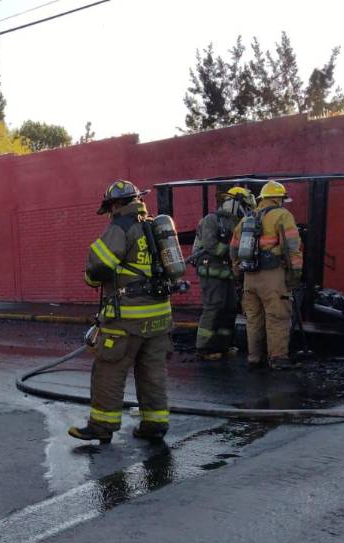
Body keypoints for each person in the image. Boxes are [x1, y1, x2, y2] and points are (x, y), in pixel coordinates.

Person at [68, 180, 174, 444]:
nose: (109, 214)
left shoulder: (121, 227)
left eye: (109, 208)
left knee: (109, 369)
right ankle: (155, 424)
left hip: (128, 318)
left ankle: (102, 427)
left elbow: (98, 265)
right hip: (160, 316)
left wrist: (91, 279)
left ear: (115, 204)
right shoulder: (154, 226)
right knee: (152, 372)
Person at [229, 180, 303, 370]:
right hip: (273, 275)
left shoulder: (247, 219)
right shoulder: (282, 215)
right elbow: (292, 247)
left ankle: (255, 358)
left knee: (253, 319)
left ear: (262, 198)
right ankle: (278, 358)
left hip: (249, 277)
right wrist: (295, 276)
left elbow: (234, 250)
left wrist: (238, 273)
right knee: (277, 316)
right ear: (279, 199)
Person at [190, 186, 254, 358]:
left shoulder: (236, 223)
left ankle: (223, 345)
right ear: (233, 203)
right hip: (211, 273)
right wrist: (233, 251)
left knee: (230, 308)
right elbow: (211, 245)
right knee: (213, 308)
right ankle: (203, 348)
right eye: (245, 206)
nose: (246, 211)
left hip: (227, 274)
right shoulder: (211, 220)